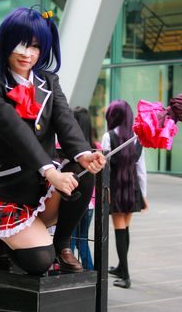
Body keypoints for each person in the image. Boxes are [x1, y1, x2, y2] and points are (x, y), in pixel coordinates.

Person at [0, 6, 106, 276]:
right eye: (19, 44)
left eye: (34, 46)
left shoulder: (50, 82)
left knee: (84, 172)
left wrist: (83, 154)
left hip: (44, 190)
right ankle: (1, 239)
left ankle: (62, 243)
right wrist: (51, 171)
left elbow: (66, 122)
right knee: (40, 262)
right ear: (5, 44)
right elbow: (16, 133)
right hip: (10, 191)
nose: (26, 53)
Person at [101, 100, 149, 289]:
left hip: (117, 189)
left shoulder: (108, 136)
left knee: (120, 229)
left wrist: (106, 191)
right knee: (125, 228)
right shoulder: (137, 137)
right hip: (132, 189)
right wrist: (143, 195)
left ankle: (126, 276)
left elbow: (105, 167)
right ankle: (121, 267)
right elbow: (141, 169)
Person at [70, 106, 102, 270]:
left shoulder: (66, 147)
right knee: (83, 239)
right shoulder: (97, 147)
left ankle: (70, 272)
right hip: (91, 201)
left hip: (73, 200)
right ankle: (90, 272)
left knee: (70, 240)